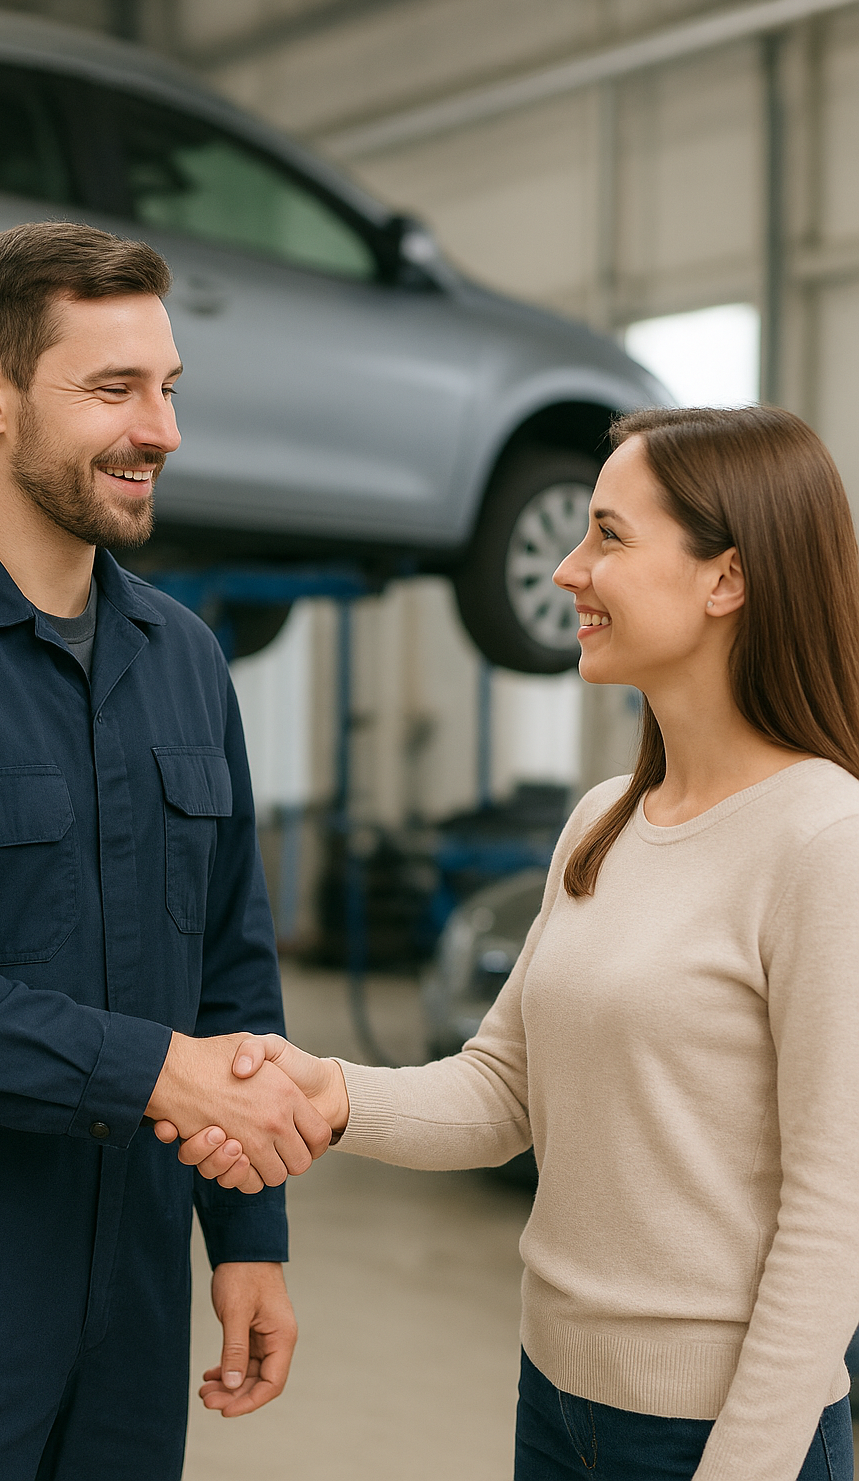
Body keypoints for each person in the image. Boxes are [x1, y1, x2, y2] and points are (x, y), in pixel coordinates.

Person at [177, 406, 859, 1480]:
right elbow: (503, 1094)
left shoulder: (824, 838)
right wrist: (328, 1095)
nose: (566, 571)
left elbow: (836, 1213)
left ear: (725, 579)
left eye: (609, 537)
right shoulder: (603, 821)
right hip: (554, 1401)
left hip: (719, 1436)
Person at [0, 220, 330, 1481]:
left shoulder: (185, 658)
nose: (159, 430)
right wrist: (162, 1073)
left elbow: (232, 966)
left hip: (132, 1305)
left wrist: (250, 1238)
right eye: (113, 390)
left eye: (167, 390)